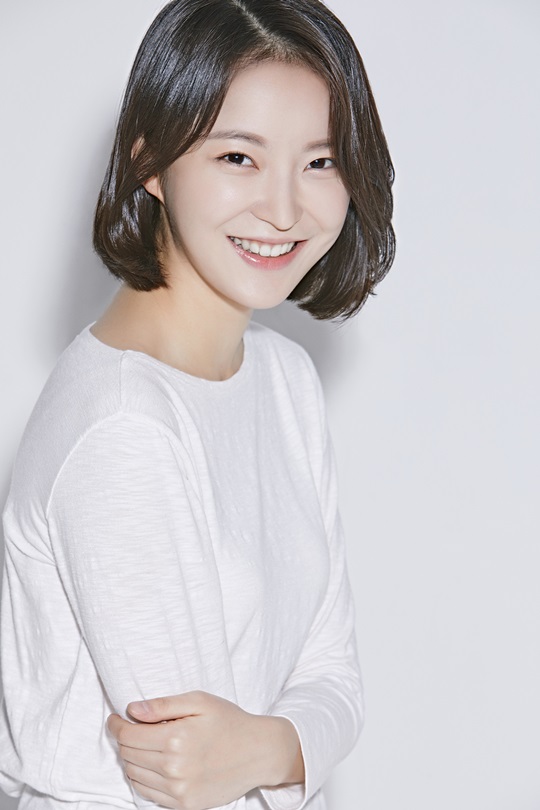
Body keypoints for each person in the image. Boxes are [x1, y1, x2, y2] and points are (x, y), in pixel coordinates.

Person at [0, 1, 395, 809]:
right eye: (239, 157)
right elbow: (191, 782)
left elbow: (336, 682)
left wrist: (272, 746)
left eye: (320, 161)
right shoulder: (122, 429)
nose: (284, 209)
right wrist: (288, 752)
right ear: (150, 159)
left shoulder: (284, 380)